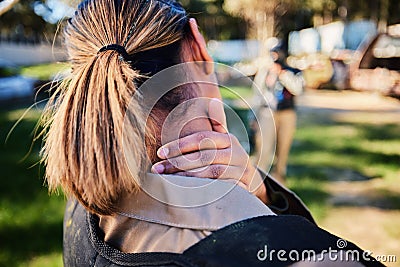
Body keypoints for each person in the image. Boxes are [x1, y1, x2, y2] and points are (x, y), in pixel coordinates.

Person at [41, 0, 383, 266]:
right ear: (199, 48)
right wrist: (266, 215)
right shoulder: (282, 251)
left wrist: (261, 195)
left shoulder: (87, 194)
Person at [254, 45, 304, 184]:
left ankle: (279, 183)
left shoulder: (293, 71)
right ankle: (258, 181)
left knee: (282, 150)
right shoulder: (265, 71)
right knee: (263, 148)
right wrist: (253, 116)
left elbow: (297, 89)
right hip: (267, 113)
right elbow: (257, 94)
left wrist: (282, 74)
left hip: (287, 113)